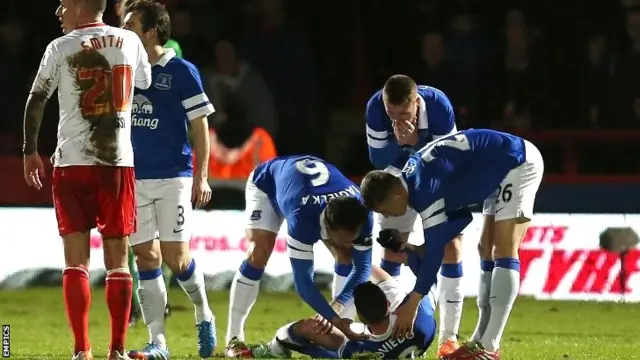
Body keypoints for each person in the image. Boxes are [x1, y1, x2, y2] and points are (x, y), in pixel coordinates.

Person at [22, 0, 152, 359]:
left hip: (72, 164)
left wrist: (29, 150)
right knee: (118, 261)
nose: (58, 12)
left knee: (75, 262)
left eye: (63, 5)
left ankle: (82, 351)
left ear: (80, 5)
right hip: (117, 163)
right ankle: (118, 350)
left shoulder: (60, 48)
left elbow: (36, 100)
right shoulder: (129, 41)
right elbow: (143, 81)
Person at [360, 129, 545, 360]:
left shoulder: (423, 188)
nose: (390, 215)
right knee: (485, 249)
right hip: (494, 173)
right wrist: (414, 250)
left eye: (386, 209)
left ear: (397, 194)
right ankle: (479, 341)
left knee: (503, 248)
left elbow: (436, 251)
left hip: (517, 162)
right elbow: (461, 219)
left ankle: (490, 347)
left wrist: (413, 303)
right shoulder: (412, 181)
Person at [121, 1, 216, 359]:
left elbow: (200, 126)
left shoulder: (181, 71)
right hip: (134, 179)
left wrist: (201, 177)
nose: (124, 29)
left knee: (176, 259)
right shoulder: (124, 70)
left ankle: (203, 314)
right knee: (146, 257)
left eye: (131, 24)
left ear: (151, 31)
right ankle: (157, 343)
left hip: (174, 177)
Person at [225, 155, 374, 355]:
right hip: (268, 183)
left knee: (346, 254)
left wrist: (337, 308)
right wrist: (333, 317)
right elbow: (303, 284)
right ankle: (234, 338)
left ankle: (341, 337)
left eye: (353, 237)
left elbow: (363, 268)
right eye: (343, 238)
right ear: (326, 229)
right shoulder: (302, 219)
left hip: (303, 185)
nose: (349, 243)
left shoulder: (364, 214)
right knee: (258, 253)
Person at [365, 74, 464, 356]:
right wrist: (400, 143)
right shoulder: (375, 107)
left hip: (440, 180)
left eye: (403, 113)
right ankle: (391, 325)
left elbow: (445, 159)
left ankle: (449, 338)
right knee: (392, 247)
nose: (396, 118)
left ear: (416, 102)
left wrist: (415, 142)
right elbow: (378, 160)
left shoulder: (438, 105)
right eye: (390, 113)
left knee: (451, 246)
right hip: (396, 182)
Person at [229, 261, 441, 359]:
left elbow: (328, 348)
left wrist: (359, 260)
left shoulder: (360, 350)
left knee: (308, 327)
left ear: (360, 316)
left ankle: (273, 349)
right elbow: (428, 286)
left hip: (372, 343)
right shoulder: (421, 319)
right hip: (407, 343)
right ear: (388, 304)